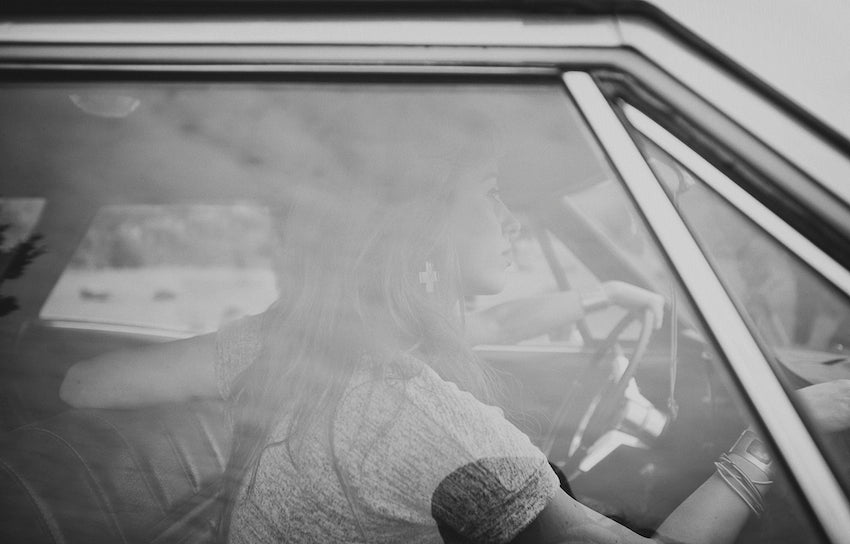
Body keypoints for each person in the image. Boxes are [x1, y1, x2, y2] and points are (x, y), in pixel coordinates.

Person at [58, 117, 844, 544]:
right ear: (422, 231)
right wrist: (774, 442)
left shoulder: (277, 345)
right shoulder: (433, 426)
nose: (509, 221)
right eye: (492, 194)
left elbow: (81, 384)